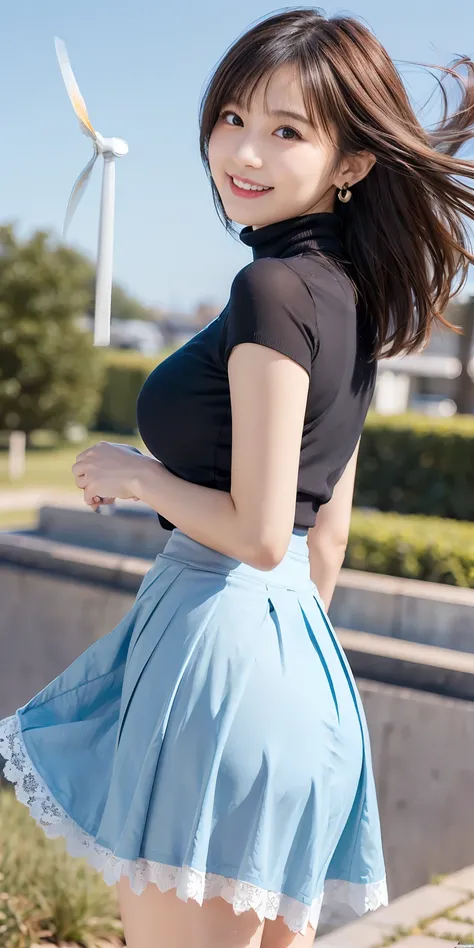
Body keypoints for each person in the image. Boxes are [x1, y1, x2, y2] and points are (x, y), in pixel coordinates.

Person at [1, 8, 473, 948]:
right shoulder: (352, 299)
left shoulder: (272, 292)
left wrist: (135, 475)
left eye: (286, 130)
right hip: (302, 671)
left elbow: (261, 532)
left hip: (218, 650)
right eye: (233, 119)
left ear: (352, 164)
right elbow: (320, 534)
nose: (243, 152)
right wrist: (278, 670)